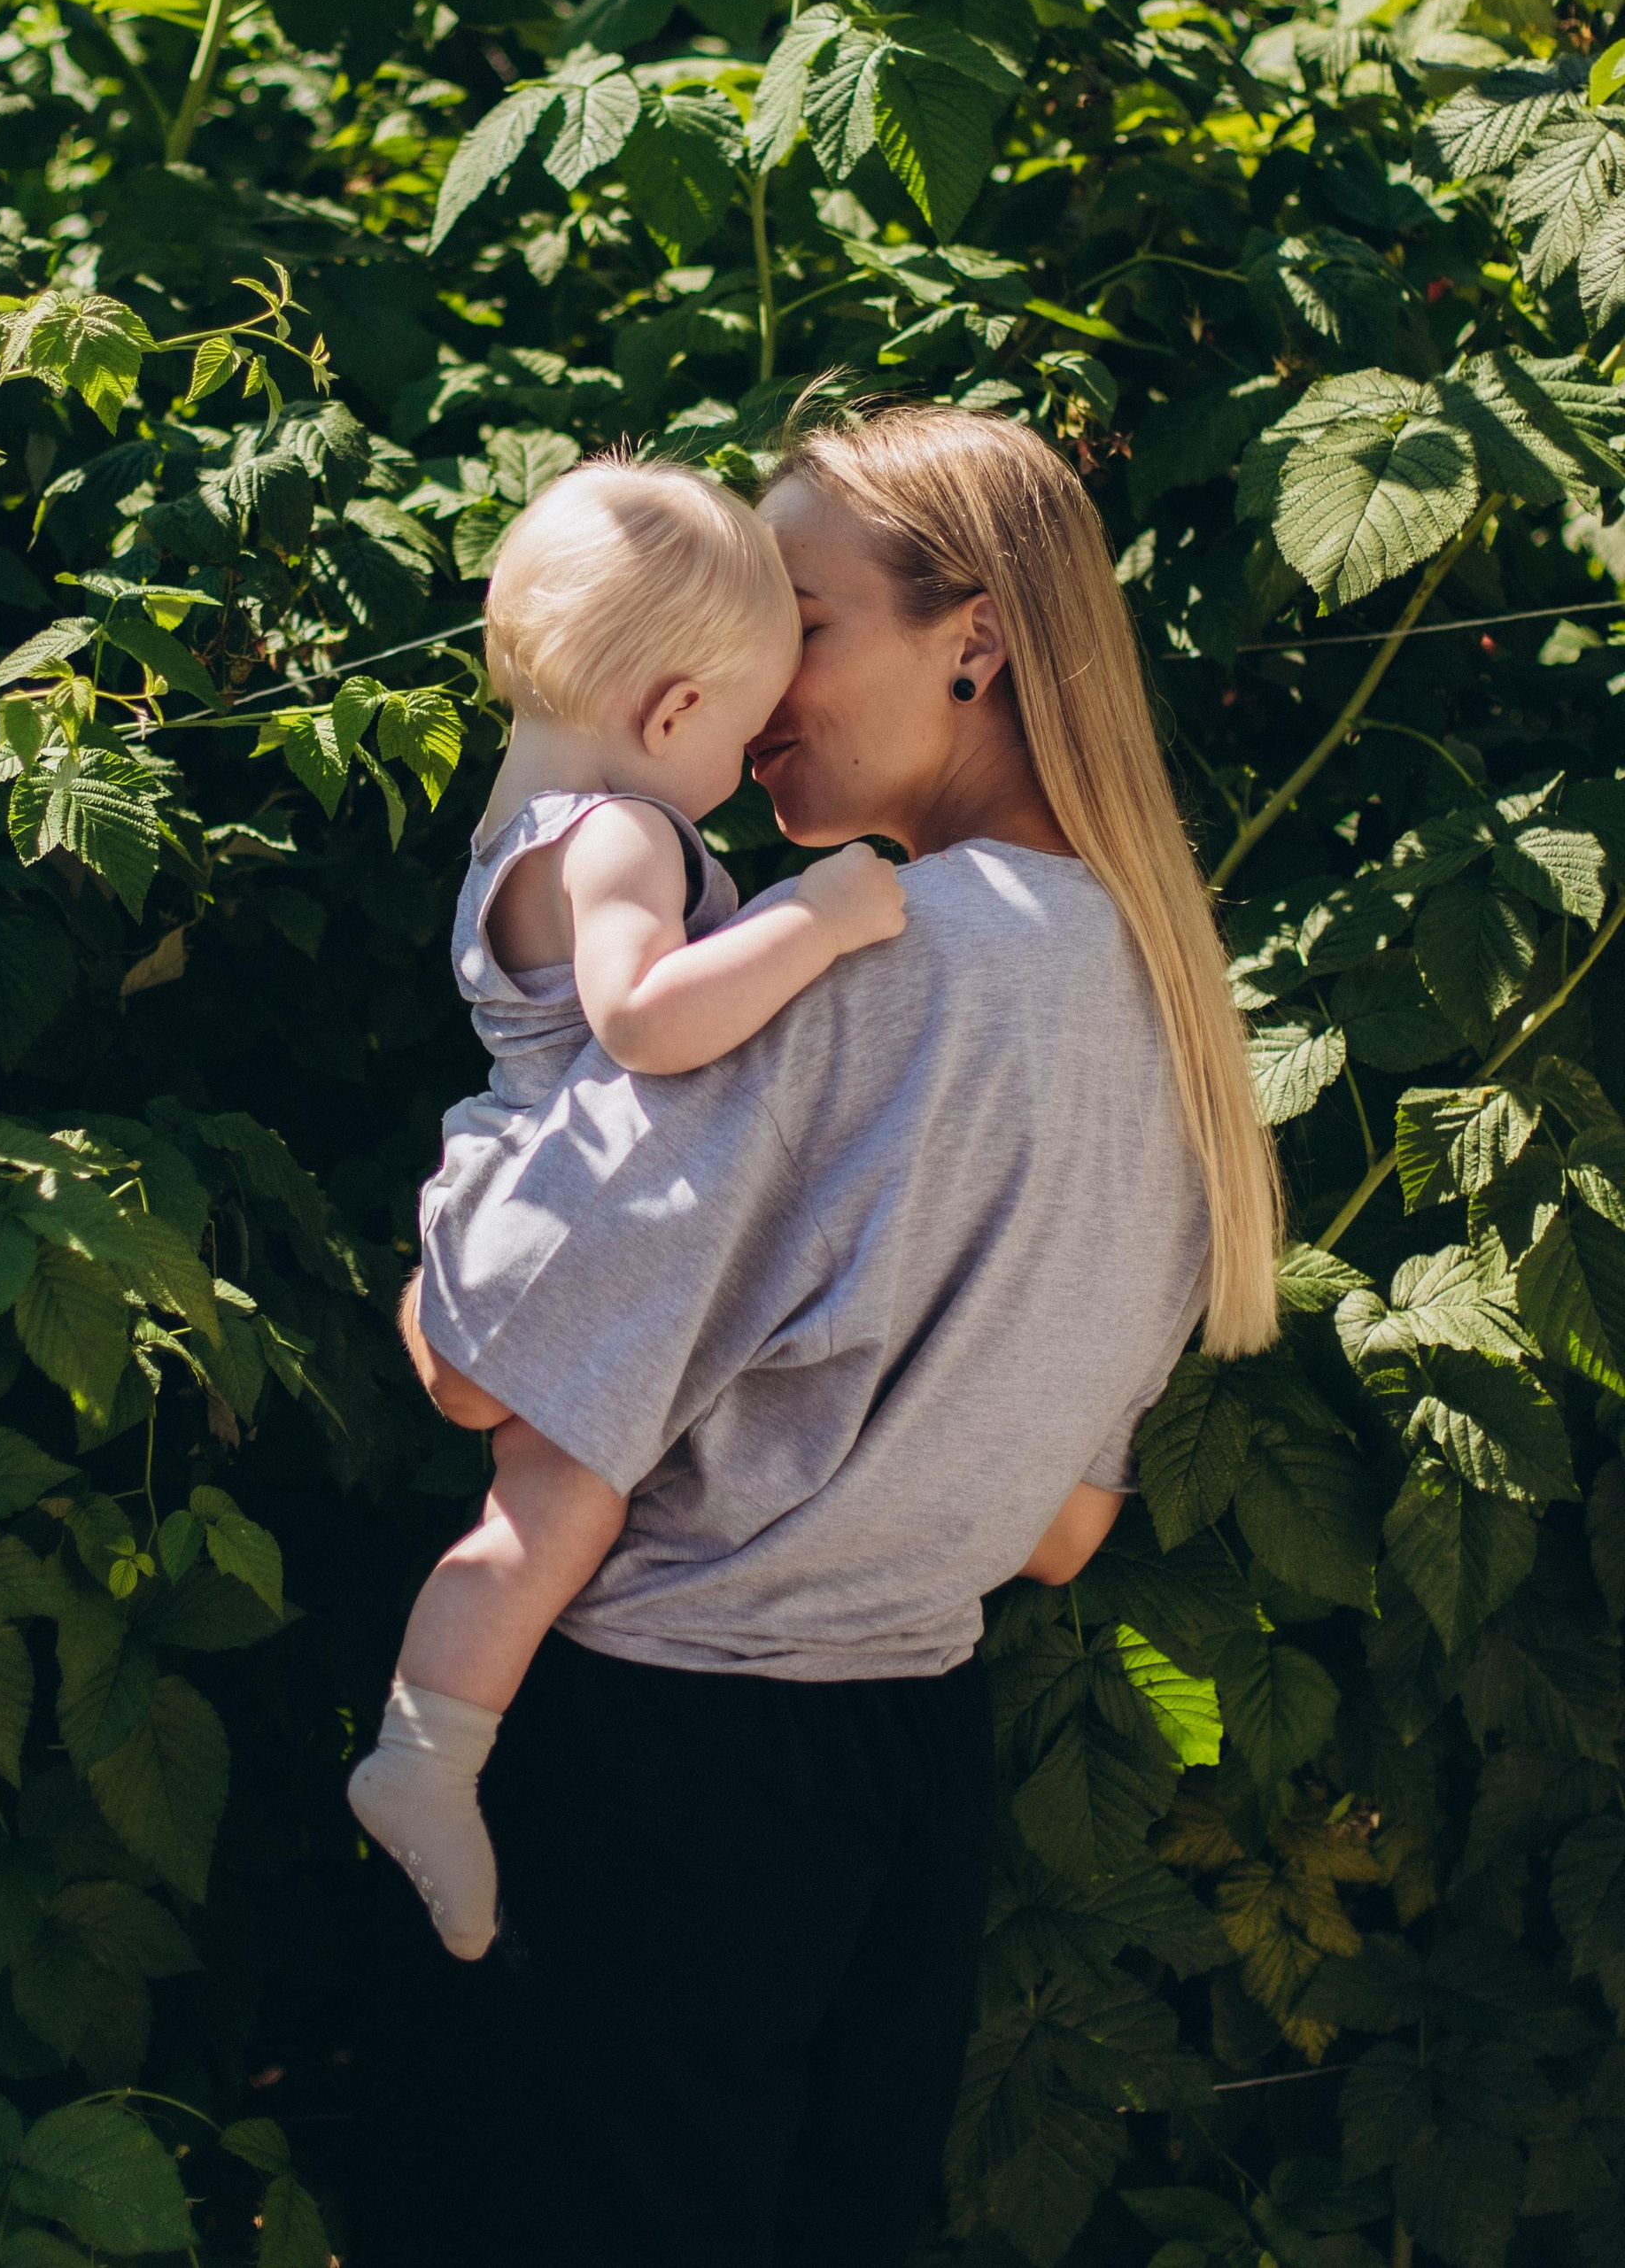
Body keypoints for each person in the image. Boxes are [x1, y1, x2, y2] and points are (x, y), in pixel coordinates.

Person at [380, 402, 1283, 2268]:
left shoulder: (867, 950)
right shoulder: (1174, 1009)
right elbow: (1058, 1531)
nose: (761, 682)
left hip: (670, 1762)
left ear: (975, 637)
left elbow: (478, 1364)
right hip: (907, 1765)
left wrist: (470, 1187)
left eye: (805, 620)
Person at [347, 458, 907, 1960]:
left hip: (531, 1201)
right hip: (564, 1224)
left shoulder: (512, 833)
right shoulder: (625, 837)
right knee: (556, 1518)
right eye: (741, 725)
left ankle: (427, 1751)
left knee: (546, 1515)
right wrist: (818, 912)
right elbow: (650, 1019)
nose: (749, 758)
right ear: (670, 716)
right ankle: (425, 1759)